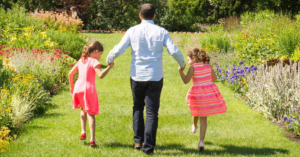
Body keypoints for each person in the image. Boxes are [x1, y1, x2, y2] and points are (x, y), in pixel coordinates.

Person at [106, 3, 185, 155]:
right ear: (154, 15)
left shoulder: (132, 30)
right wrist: (182, 63)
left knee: (137, 106)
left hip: (137, 75)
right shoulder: (161, 31)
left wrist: (110, 57)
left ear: (140, 15)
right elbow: (173, 50)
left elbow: (120, 48)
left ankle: (137, 141)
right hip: (155, 76)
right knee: (152, 112)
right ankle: (148, 147)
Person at [178, 48, 227, 152]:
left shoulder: (192, 67)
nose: (188, 61)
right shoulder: (208, 66)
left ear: (194, 58)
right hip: (208, 95)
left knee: (195, 110)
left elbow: (186, 81)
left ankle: (194, 125)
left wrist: (180, 71)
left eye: (188, 59)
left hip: (197, 94)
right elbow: (214, 78)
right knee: (203, 118)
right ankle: (201, 141)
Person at [69, 41, 114, 147]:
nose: (99, 57)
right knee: (91, 114)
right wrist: (109, 67)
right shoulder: (93, 61)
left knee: (83, 110)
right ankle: (92, 139)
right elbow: (101, 75)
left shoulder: (81, 60)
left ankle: (83, 132)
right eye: (100, 54)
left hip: (78, 88)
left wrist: (72, 88)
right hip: (88, 89)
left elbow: (70, 74)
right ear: (96, 51)